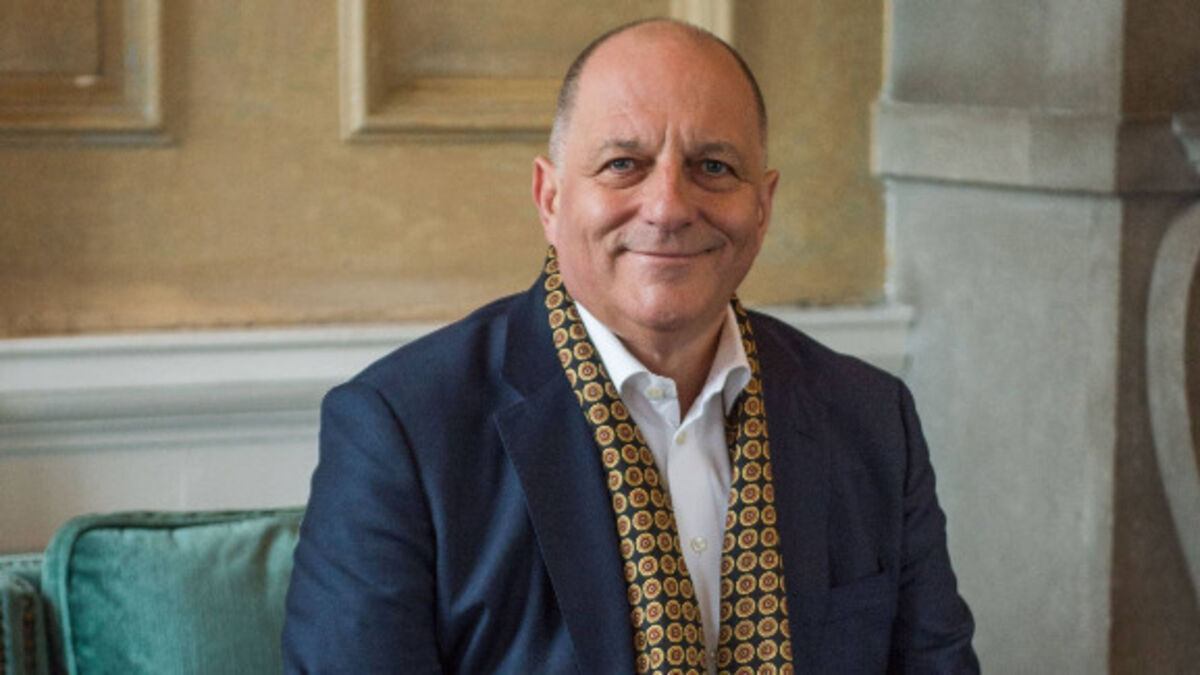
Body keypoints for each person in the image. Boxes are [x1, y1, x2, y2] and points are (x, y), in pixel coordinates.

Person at [283, 18, 977, 674]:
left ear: (762, 207)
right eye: (623, 163)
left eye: (713, 166)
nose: (669, 206)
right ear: (550, 199)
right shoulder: (402, 431)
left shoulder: (870, 418)